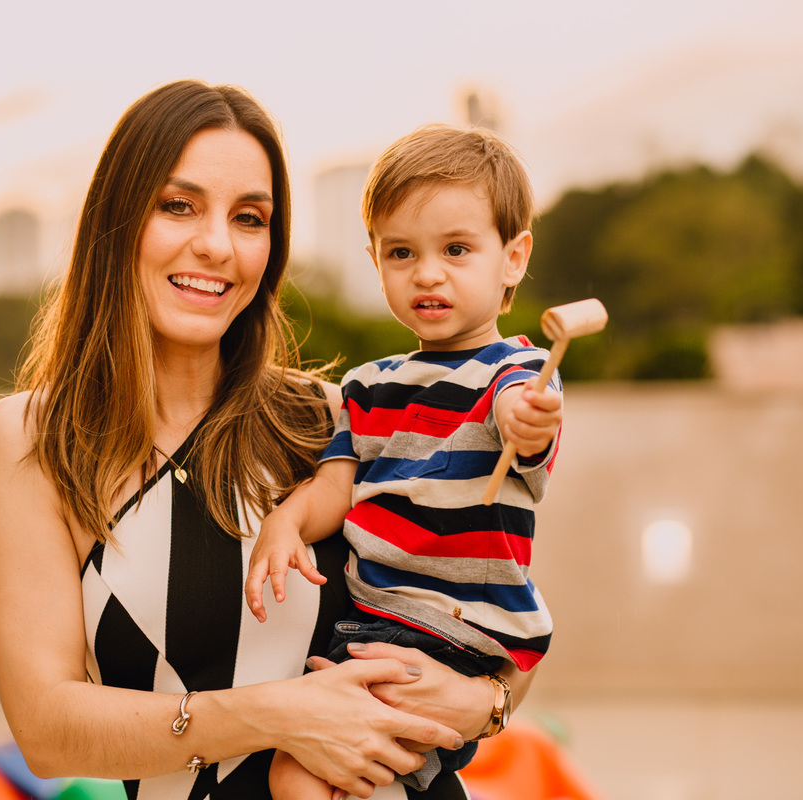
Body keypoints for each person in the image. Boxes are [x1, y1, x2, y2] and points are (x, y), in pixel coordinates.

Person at [0, 80, 507, 800]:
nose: (217, 246)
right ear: (117, 218)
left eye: (250, 218)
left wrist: (489, 702)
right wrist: (283, 716)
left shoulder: (337, 420)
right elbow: (46, 730)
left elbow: (498, 591)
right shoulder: (32, 442)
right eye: (178, 205)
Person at [245, 123, 564, 797]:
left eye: (456, 249)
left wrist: (526, 421)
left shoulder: (516, 371)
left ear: (512, 258)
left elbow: (525, 420)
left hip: (457, 628)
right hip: (376, 620)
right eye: (401, 252)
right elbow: (336, 486)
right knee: (326, 773)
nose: (427, 273)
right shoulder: (368, 385)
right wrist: (286, 522)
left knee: (298, 773)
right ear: (375, 261)